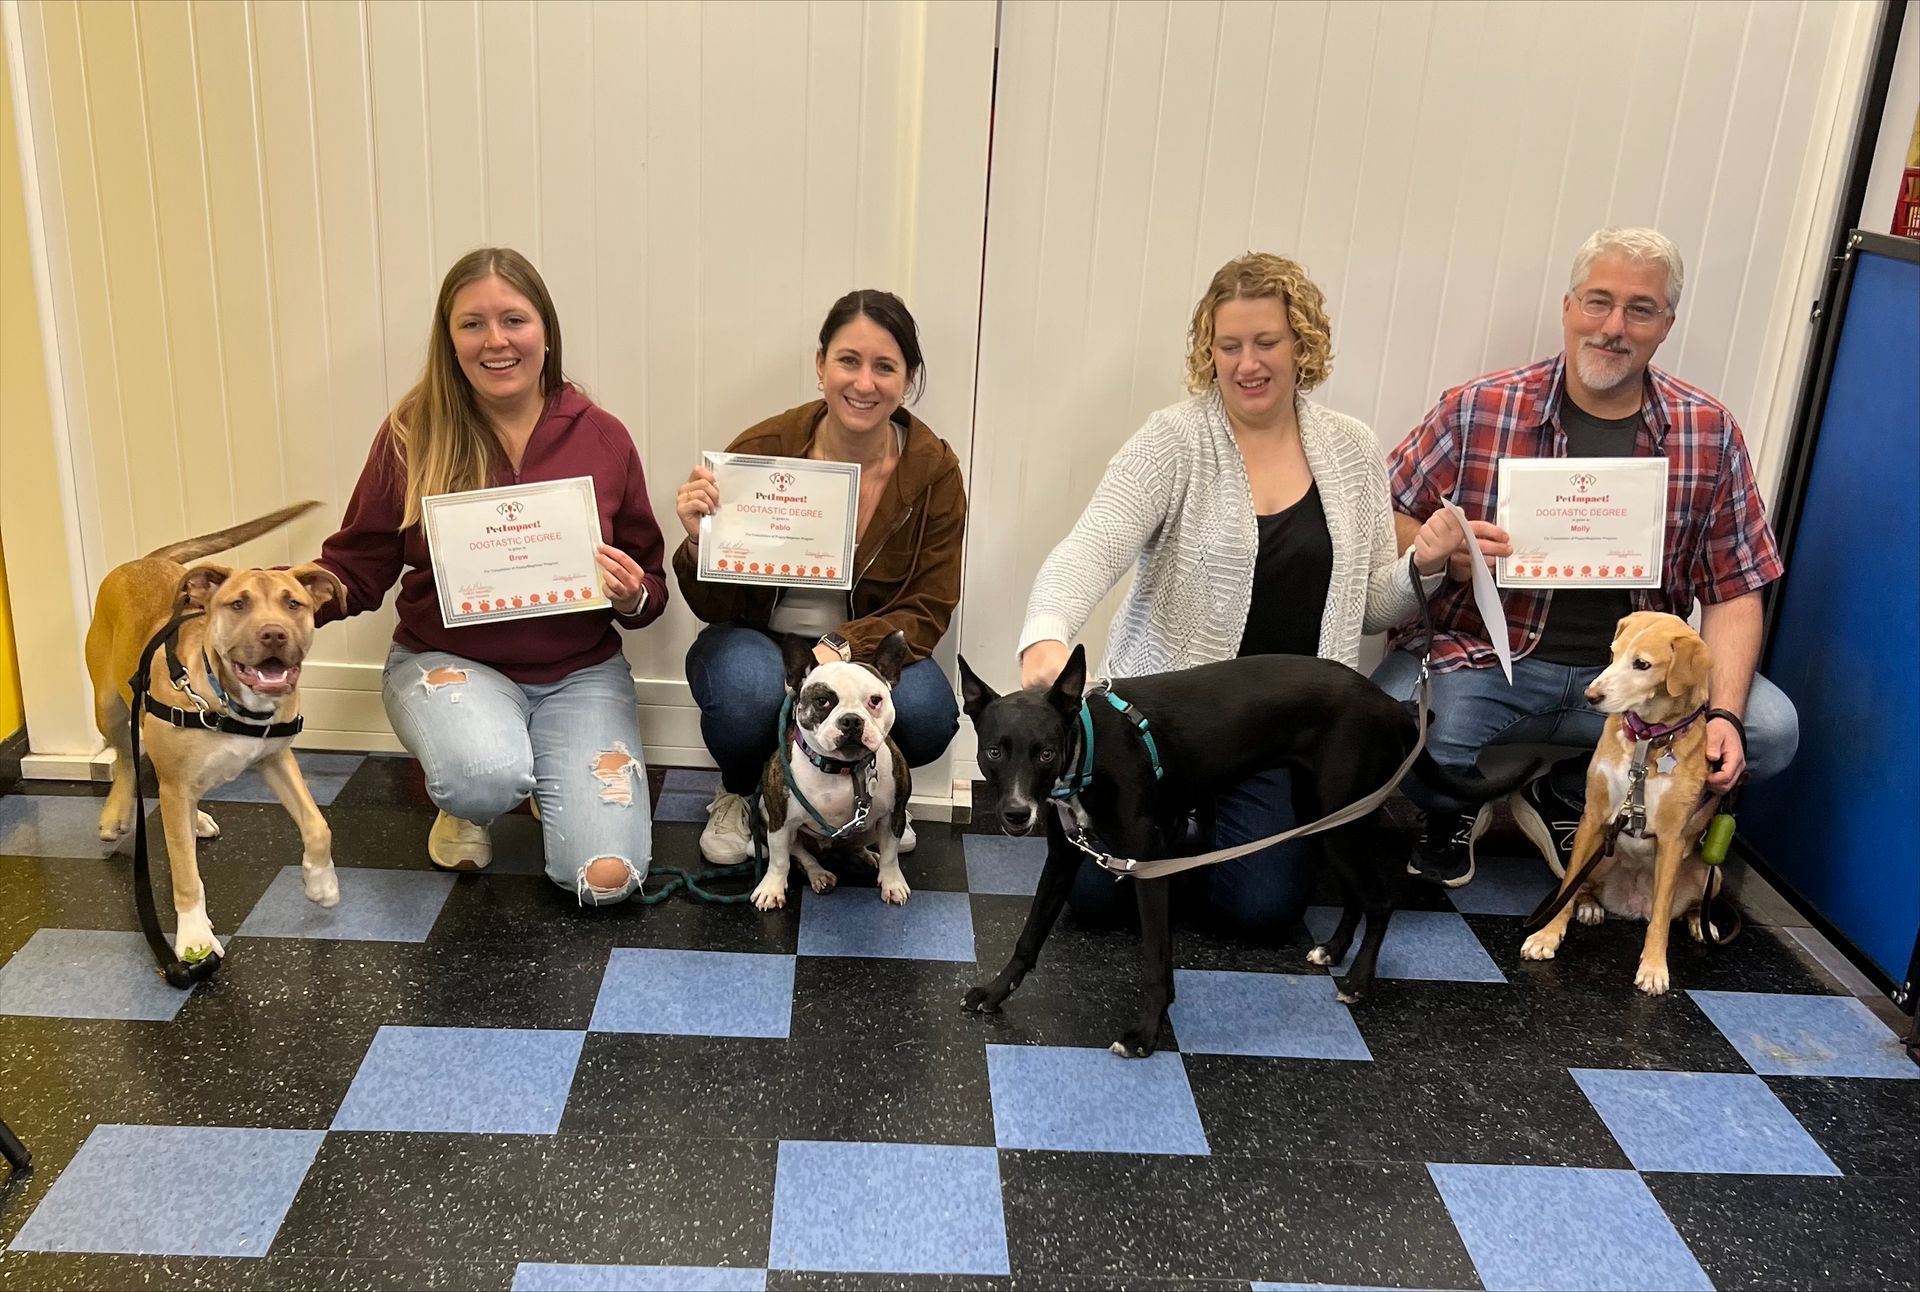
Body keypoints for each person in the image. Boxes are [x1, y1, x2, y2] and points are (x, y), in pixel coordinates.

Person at [1017, 252, 1467, 938]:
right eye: (1229, 346)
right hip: (1163, 726)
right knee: (1095, 902)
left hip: (1278, 732)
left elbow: (1370, 606)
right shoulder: (1172, 440)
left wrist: (1424, 564)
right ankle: (1185, 831)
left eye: (1266, 342)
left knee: (1260, 915)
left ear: (1302, 345)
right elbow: (1089, 547)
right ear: (1209, 350)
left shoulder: (1352, 449)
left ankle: (1200, 839)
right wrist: (1047, 633)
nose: (1247, 363)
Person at [1378, 226, 1799, 887]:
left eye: (1640, 309)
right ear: (1569, 308)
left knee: (1768, 728)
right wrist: (1436, 545)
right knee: (1387, 714)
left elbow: (1734, 589)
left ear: (1666, 324)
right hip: (1493, 659)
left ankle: (1568, 792)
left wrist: (1722, 716)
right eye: (1598, 302)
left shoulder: (1708, 432)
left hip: (1639, 682)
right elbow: (1383, 517)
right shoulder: (1477, 409)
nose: (1614, 327)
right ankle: (1458, 806)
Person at [314, 247, 669, 904]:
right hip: (447, 662)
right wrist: (270, 601)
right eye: (472, 323)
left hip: (578, 674)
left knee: (607, 883)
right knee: (483, 776)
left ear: (545, 330)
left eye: (514, 319)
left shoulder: (603, 436)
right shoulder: (411, 433)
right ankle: (474, 799)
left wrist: (632, 592)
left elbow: (649, 585)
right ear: (449, 340)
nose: (496, 340)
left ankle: (539, 769)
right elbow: (356, 566)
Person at [674, 290, 966, 865]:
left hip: (858, 643)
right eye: (848, 361)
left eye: (885, 367)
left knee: (931, 715)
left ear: (908, 379)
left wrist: (840, 648)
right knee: (747, 692)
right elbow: (711, 603)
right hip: (760, 637)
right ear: (820, 365)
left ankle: (870, 801)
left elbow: (929, 606)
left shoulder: (934, 472)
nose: (864, 382)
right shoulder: (763, 451)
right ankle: (741, 791)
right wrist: (693, 541)